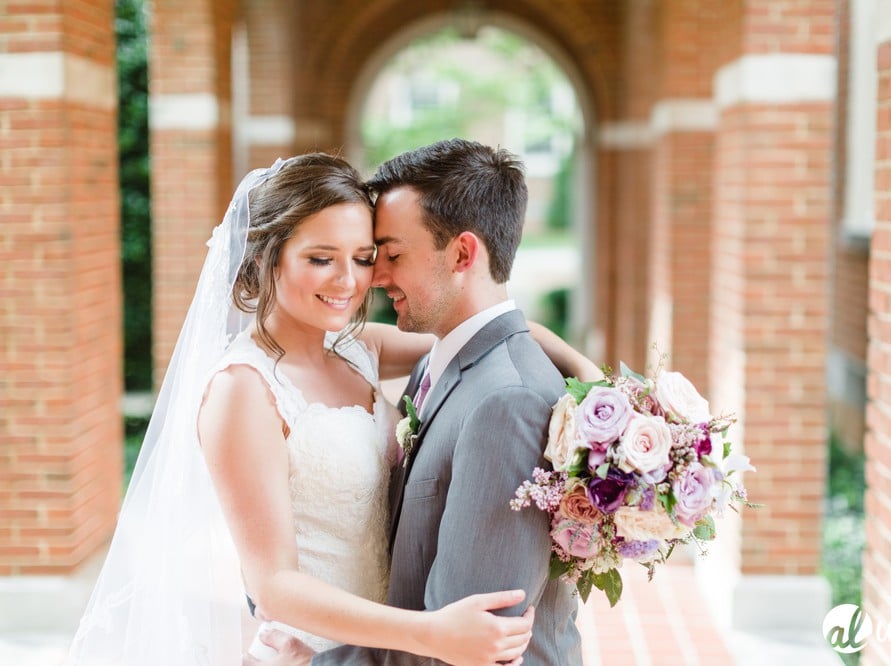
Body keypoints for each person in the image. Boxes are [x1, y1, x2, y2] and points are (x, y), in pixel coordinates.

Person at [68, 152, 595, 665]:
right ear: (265, 257)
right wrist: (430, 633)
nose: (349, 281)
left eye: (364, 258)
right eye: (321, 259)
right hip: (322, 649)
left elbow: (477, 334)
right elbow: (272, 584)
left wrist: (593, 383)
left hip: (391, 645)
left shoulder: (358, 347)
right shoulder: (243, 391)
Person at [263, 139, 586, 665]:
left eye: (390, 255)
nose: (374, 277)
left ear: (462, 254)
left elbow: (465, 646)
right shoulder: (439, 361)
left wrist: (311, 661)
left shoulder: (507, 402)